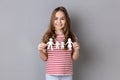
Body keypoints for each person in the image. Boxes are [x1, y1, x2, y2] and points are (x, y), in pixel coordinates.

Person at [38, 6, 80, 80]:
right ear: (52, 20)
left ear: (66, 20)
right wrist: (40, 50)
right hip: (51, 75)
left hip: (67, 75)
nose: (59, 21)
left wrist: (76, 50)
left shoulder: (72, 36)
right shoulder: (47, 36)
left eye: (62, 19)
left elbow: (74, 58)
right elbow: (44, 58)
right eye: (56, 18)